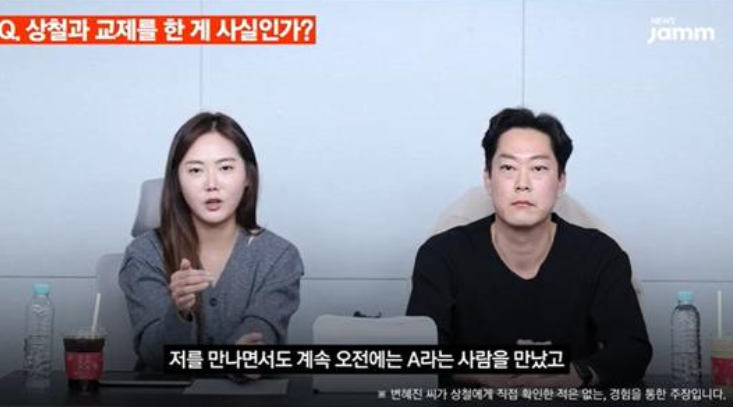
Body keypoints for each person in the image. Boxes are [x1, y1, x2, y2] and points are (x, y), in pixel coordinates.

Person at [406, 108, 652, 388]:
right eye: (508, 168)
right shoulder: (441, 254)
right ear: (488, 179)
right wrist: (489, 369)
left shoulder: (600, 254)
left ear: (561, 182)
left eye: (538, 169)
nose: (522, 184)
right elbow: (419, 356)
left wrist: (575, 374)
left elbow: (632, 350)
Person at [119, 112, 303, 371]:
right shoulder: (144, 253)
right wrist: (178, 312)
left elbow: (263, 330)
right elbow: (155, 357)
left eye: (225, 168)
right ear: (177, 181)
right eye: (195, 170)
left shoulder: (279, 256)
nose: (211, 184)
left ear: (248, 176)